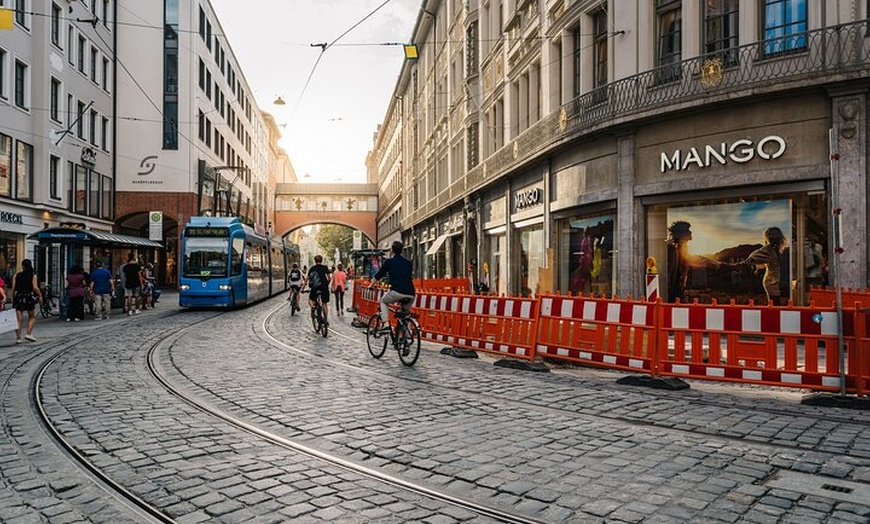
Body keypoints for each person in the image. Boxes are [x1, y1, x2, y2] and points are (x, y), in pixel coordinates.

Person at [373, 240, 416, 326]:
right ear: (402, 250)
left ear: (392, 250)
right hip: (411, 293)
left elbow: (379, 275)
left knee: (383, 301)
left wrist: (371, 284)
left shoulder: (389, 262)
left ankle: (386, 324)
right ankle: (407, 334)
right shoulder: (408, 263)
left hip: (397, 292)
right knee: (404, 314)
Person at [743, 226, 788, 306]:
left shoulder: (778, 249)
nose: (775, 239)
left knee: (777, 304)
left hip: (778, 281)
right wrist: (755, 266)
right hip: (771, 282)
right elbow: (755, 256)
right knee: (775, 304)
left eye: (776, 237)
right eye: (772, 237)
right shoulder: (767, 250)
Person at [11, 259, 41, 343]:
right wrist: (40, 295)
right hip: (28, 297)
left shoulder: (16, 275)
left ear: (22, 266)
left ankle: (18, 338)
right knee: (31, 316)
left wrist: (13, 297)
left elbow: (13, 288)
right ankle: (28, 333)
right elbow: (35, 288)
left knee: (18, 319)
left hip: (19, 297)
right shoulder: (33, 275)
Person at [305, 255, 331, 325]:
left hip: (315, 287)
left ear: (315, 261)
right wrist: (326, 284)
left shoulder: (312, 268)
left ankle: (313, 307)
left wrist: (302, 288)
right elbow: (329, 278)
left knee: (311, 299)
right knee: (324, 303)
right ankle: (325, 319)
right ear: (321, 260)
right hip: (324, 287)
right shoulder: (325, 268)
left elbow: (306, 279)